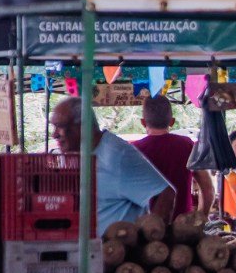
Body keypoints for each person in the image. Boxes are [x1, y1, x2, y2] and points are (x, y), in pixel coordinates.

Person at [49, 97, 174, 227]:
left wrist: (150, 237)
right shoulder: (80, 155)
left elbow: (166, 194)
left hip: (118, 244)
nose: (54, 135)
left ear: (82, 126)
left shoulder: (118, 156)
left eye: (60, 126)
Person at [132, 96, 213, 219]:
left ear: (143, 122)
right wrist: (202, 216)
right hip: (182, 227)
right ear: (172, 121)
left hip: (144, 227)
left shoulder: (134, 149)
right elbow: (207, 188)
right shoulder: (188, 145)